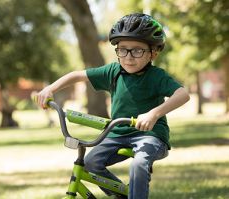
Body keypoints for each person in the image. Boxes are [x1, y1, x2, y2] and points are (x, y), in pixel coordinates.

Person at [33, 13, 190, 199]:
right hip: (116, 134)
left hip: (150, 135)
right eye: (123, 50)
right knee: (90, 163)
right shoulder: (113, 71)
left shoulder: (157, 76)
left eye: (137, 51)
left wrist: (154, 114)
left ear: (153, 53)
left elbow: (183, 94)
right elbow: (77, 75)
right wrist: (50, 88)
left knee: (139, 164)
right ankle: (122, 195)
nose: (129, 57)